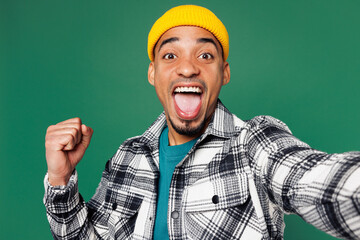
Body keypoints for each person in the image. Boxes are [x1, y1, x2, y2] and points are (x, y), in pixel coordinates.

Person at [43, 5, 360, 240]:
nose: (187, 69)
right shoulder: (128, 157)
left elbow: (328, 184)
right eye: (171, 56)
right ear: (152, 73)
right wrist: (60, 178)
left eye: (205, 55)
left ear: (224, 73)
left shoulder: (254, 143)